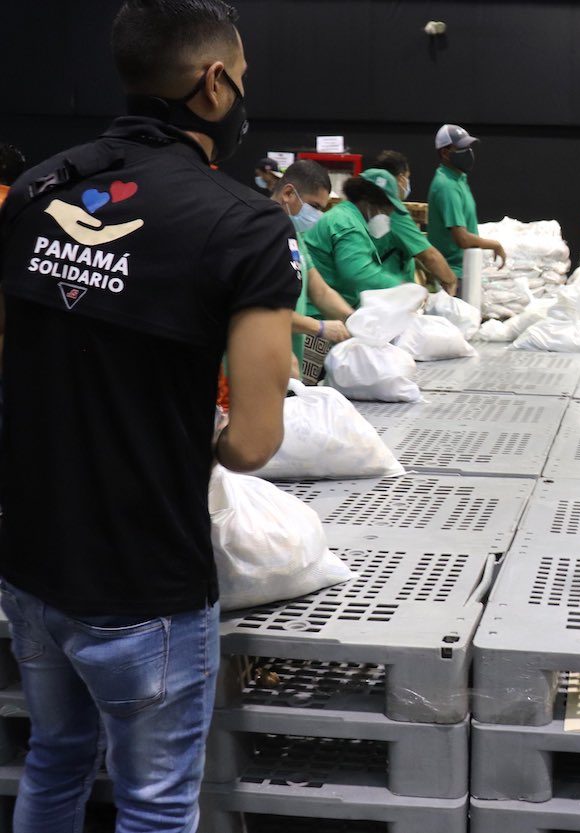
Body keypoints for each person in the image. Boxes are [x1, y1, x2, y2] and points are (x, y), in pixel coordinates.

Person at [0, 2, 297, 831]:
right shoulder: (244, 226)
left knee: (54, 758)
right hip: (143, 581)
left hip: (29, 559)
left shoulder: (37, 188)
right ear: (215, 84)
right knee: (157, 802)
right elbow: (254, 441)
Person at [304, 170, 455, 307]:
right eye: (385, 211)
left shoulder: (351, 219)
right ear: (370, 202)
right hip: (319, 317)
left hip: (334, 310)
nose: (387, 217)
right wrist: (402, 287)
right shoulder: (346, 224)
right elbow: (358, 273)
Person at [269, 159, 353, 364]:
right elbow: (264, 308)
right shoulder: (260, 234)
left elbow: (320, 292)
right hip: (263, 362)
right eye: (314, 206)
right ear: (288, 194)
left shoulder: (293, 234)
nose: (318, 215)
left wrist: (355, 320)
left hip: (289, 365)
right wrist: (320, 327)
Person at [426, 124, 506, 286]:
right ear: (445, 153)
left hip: (465, 270)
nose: (469, 151)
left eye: (469, 146)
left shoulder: (458, 178)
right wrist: (494, 244)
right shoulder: (447, 186)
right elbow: (462, 238)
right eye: (462, 147)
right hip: (453, 276)